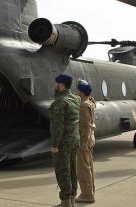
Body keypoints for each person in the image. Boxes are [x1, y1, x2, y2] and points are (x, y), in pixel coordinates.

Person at [49, 74, 81, 207]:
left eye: (57, 83)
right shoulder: (76, 99)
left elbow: (58, 126)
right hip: (75, 140)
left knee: (62, 171)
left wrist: (55, 144)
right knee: (73, 169)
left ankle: (65, 201)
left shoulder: (60, 102)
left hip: (64, 142)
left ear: (61, 85)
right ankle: (73, 197)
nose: (55, 85)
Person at [75, 81, 96, 203]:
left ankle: (86, 195)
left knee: (83, 168)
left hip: (85, 140)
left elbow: (86, 126)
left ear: (81, 92)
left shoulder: (83, 106)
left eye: (78, 90)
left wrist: (83, 143)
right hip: (91, 138)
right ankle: (90, 191)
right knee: (89, 166)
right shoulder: (91, 103)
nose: (76, 91)